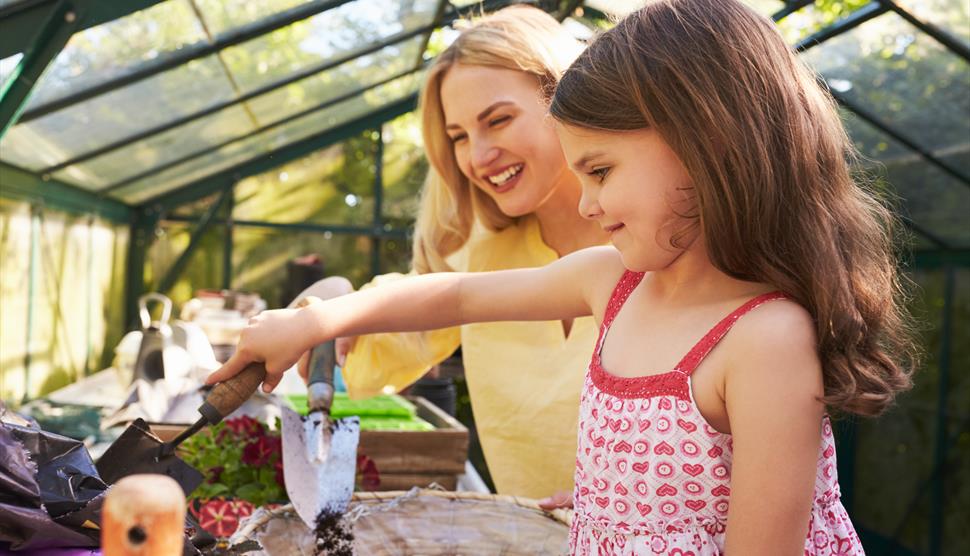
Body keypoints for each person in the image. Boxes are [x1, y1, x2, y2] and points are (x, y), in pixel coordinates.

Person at [209, 0, 917, 552]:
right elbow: (454, 294)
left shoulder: (765, 341)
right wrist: (316, 321)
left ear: (709, 145)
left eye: (602, 171)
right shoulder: (613, 281)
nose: (585, 202)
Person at [289, 5, 607, 500]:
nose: (478, 157)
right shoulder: (477, 255)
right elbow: (367, 361)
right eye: (459, 138)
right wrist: (332, 304)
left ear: (568, 95)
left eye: (498, 120)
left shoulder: (659, 243)